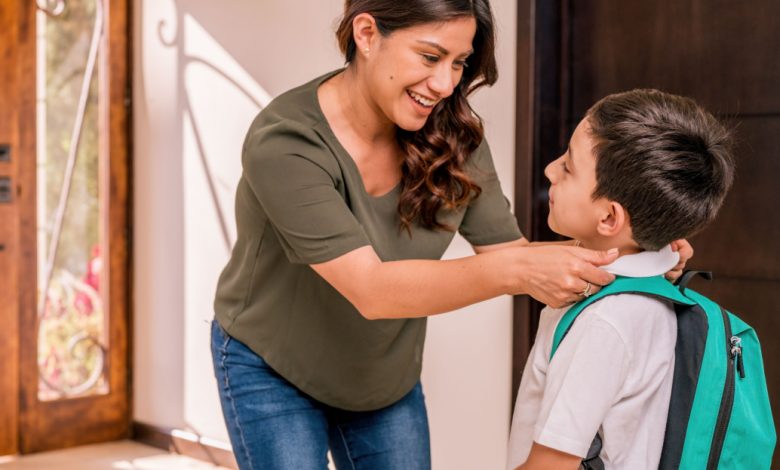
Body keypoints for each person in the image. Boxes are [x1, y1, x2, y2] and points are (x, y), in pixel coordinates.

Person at [210, 1, 690, 469]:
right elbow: (372, 289)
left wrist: (631, 251)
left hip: (382, 377)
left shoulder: (454, 138)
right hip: (273, 368)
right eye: (430, 56)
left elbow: (511, 254)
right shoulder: (287, 141)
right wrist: (517, 269)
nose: (445, 84)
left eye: (459, 62)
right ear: (366, 34)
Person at [507, 89, 734, 470]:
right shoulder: (656, 285)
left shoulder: (602, 322)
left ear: (610, 219)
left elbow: (552, 464)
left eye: (568, 166)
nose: (549, 169)